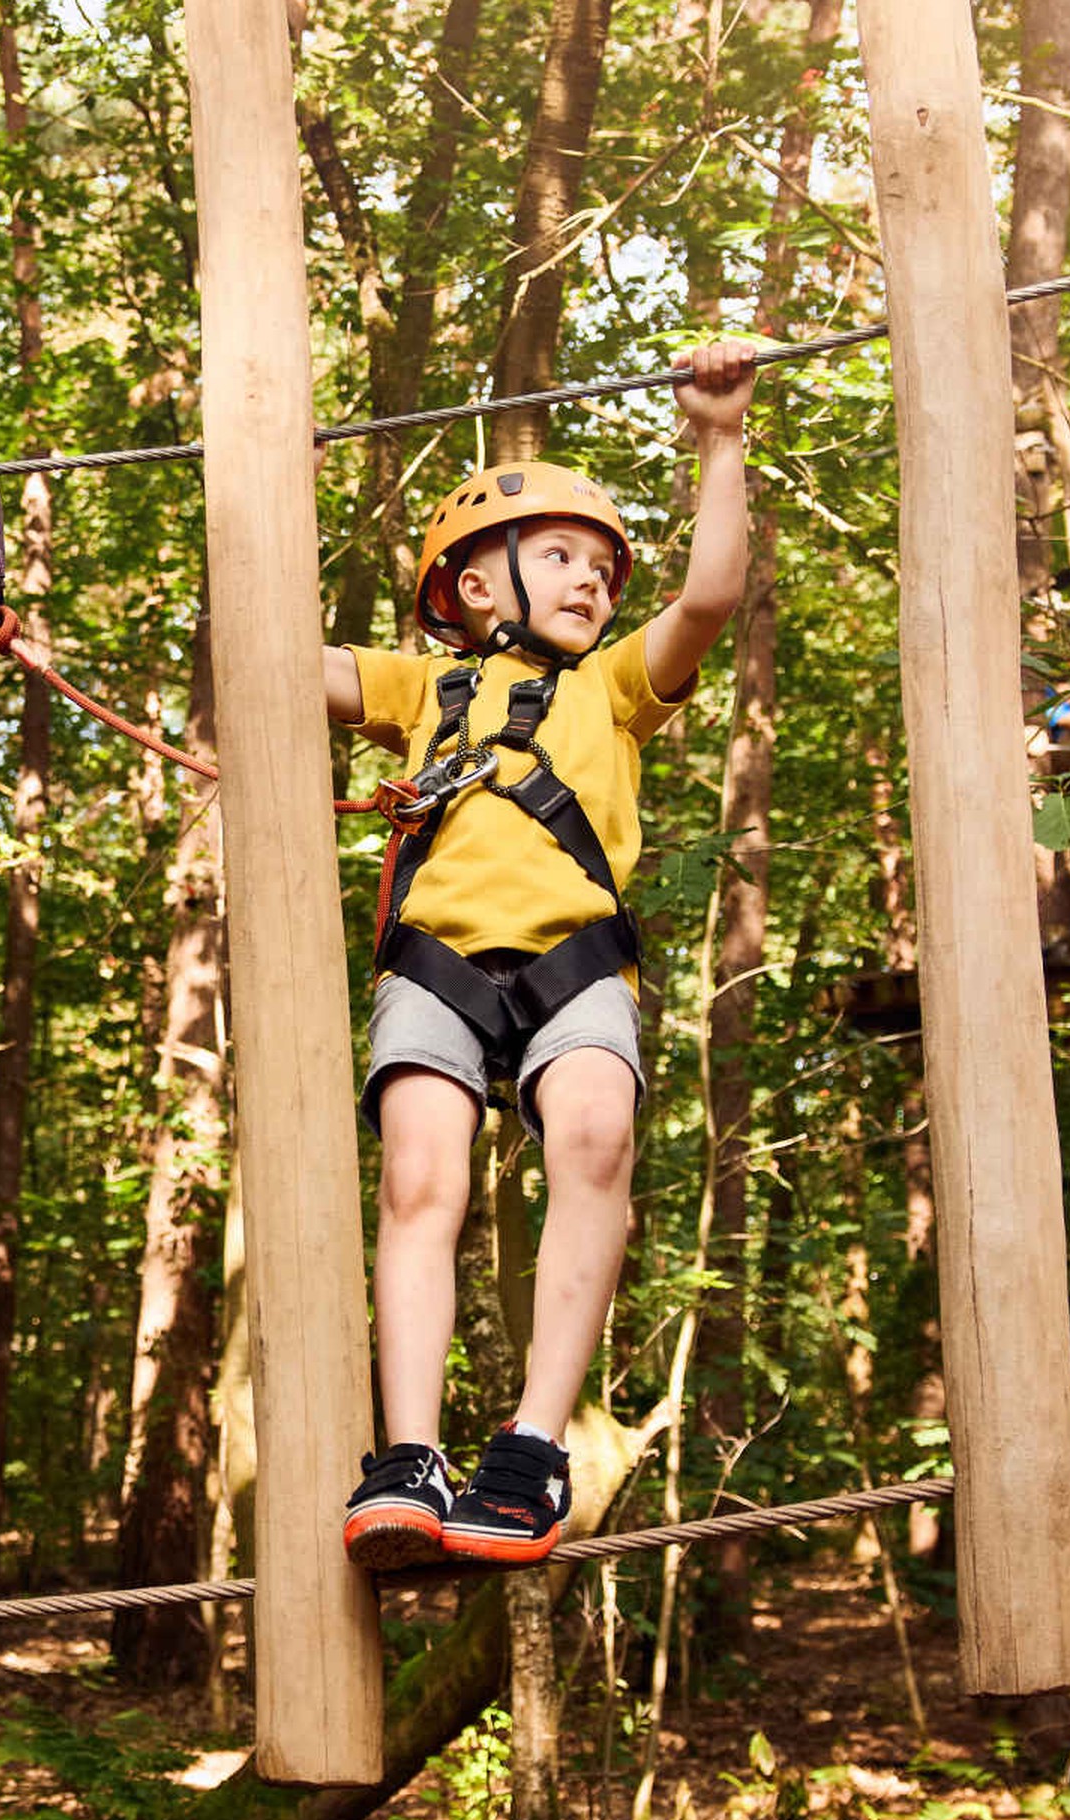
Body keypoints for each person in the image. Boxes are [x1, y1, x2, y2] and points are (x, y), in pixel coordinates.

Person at [328, 341, 761, 1571]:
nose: (593, 580)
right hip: (437, 963)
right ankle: (406, 1458)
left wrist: (719, 439)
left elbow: (712, 598)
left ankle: (530, 1446)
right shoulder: (422, 687)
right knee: (421, 1180)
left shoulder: (619, 685)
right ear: (470, 586)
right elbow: (266, 668)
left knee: (593, 1141)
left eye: (604, 564)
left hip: (576, 957)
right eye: (561, 554)